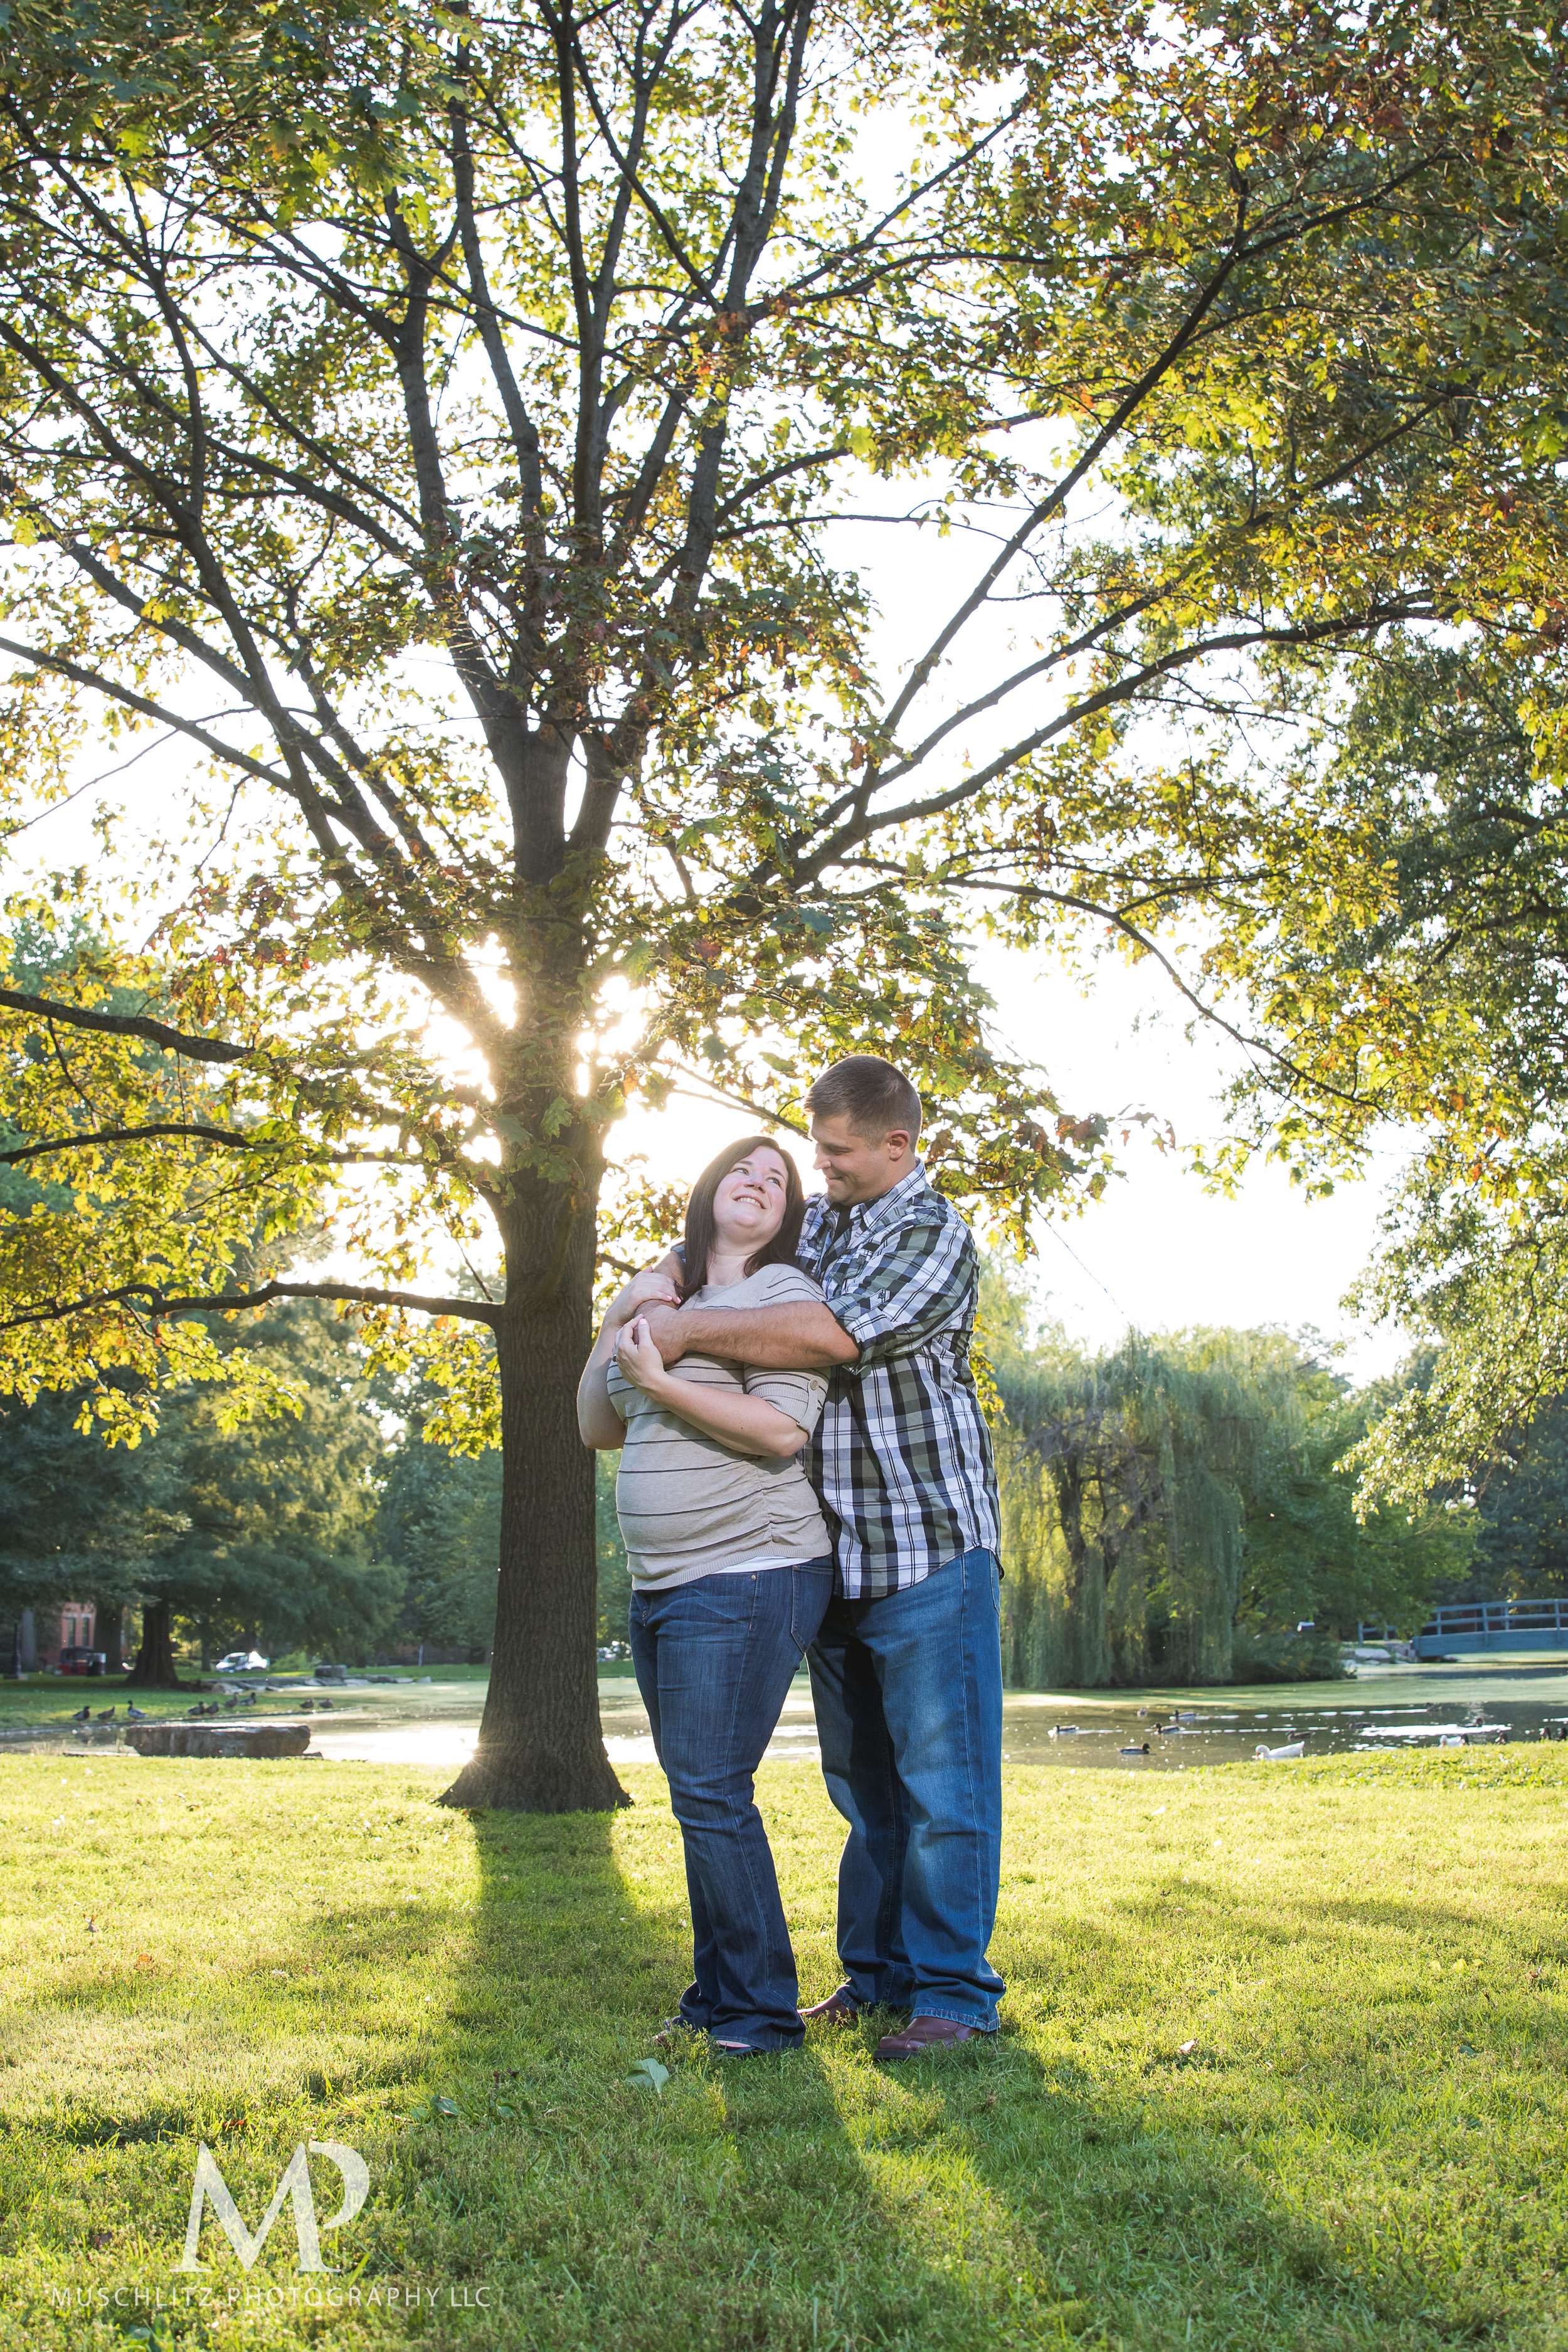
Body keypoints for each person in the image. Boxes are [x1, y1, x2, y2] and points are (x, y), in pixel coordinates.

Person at [631, 1056, 1004, 2062]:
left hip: (928, 1544)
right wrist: (674, 1271)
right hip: (836, 1553)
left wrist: (678, 1326)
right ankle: (877, 1977)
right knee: (866, 1792)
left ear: (898, 1145)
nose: (820, 1169)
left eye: (836, 1154)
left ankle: (956, 1996)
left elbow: (828, 1333)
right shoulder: (835, 1218)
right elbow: (747, 1261)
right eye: (817, 1150)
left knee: (945, 1792)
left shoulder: (933, 1232)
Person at [578, 1136, 835, 2057]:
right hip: (665, 1583)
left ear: (789, 1216)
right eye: (744, 1169)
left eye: (779, 1180)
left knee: (714, 1790)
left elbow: (779, 1432)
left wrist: (656, 1378)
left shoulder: (781, 1297)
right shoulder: (668, 1296)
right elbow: (593, 1422)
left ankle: (762, 2011)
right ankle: (719, 1993)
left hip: (752, 1567)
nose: (759, 1184)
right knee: (700, 1793)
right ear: (709, 1188)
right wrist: (623, 1314)